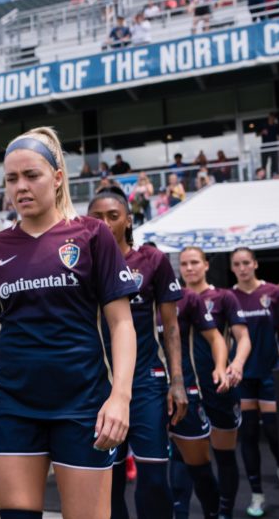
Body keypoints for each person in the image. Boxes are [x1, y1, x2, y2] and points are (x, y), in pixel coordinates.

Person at [0, 128, 138, 519]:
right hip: (14, 408)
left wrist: (120, 397)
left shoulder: (92, 235)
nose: (20, 187)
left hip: (82, 405)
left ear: (58, 177)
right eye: (12, 179)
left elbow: (122, 324)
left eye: (32, 175)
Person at [87, 187, 186, 519]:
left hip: (146, 382)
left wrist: (177, 381)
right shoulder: (79, 265)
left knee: (154, 478)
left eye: (112, 216)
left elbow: (171, 327)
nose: (104, 223)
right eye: (96, 217)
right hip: (97, 386)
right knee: (109, 480)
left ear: (128, 221)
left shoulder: (152, 260)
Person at [177, 247, 251, 519]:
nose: (189, 268)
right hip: (185, 388)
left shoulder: (223, 297)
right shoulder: (173, 299)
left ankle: (225, 512)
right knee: (188, 459)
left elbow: (242, 337)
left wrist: (236, 364)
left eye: (195, 262)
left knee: (224, 455)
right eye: (184, 263)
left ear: (206, 265)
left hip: (219, 386)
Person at [229, 247, 279, 517]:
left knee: (273, 431)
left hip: (269, 372)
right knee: (248, 436)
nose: (242, 268)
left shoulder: (274, 294)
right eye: (237, 264)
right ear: (232, 268)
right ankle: (257, 494)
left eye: (246, 262)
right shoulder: (228, 297)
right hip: (242, 377)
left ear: (255, 264)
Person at [165, 277, 230, 519]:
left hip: (187, 389)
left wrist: (221, 366)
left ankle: (215, 513)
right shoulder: (125, 296)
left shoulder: (187, 298)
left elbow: (216, 338)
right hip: (147, 390)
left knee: (198, 467)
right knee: (155, 470)